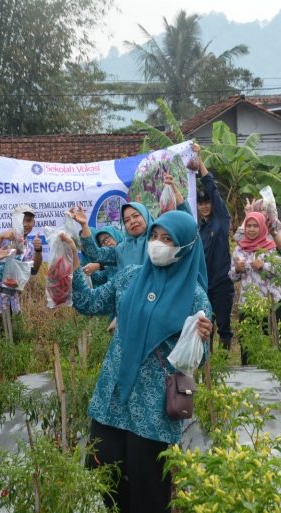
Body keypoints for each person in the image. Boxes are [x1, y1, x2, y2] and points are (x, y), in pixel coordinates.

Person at [69, 210, 212, 513]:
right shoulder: (129, 277)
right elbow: (89, 303)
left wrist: (202, 337)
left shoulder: (195, 298)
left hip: (154, 407)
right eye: (155, 237)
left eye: (167, 239)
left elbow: (196, 359)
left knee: (148, 490)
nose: (157, 244)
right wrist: (71, 271)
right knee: (105, 469)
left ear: (185, 247)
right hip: (115, 395)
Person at [75, 172, 191, 269]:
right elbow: (96, 254)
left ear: (145, 215)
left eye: (136, 215)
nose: (132, 221)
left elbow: (187, 230)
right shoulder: (121, 250)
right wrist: (84, 225)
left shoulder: (160, 242)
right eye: (126, 220)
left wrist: (175, 193)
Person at [229, 212, 281, 364]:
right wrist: (237, 270)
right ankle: (248, 383)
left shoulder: (271, 248)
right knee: (248, 345)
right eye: (248, 226)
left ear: (262, 227)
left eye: (255, 226)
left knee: (272, 342)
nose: (251, 229)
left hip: (270, 303)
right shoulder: (239, 250)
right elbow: (232, 277)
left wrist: (264, 266)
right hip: (248, 304)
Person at [194, 144, 235, 351]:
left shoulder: (221, 220)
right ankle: (210, 365)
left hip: (222, 282)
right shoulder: (198, 229)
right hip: (204, 284)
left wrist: (199, 159)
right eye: (201, 204)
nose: (205, 206)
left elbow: (211, 186)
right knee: (205, 325)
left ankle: (227, 360)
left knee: (224, 325)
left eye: (207, 202)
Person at [0, 204, 43, 319]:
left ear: (33, 223)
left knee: (11, 336)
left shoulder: (30, 247)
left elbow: (34, 270)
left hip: (12, 302)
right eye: (21, 220)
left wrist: (38, 251)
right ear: (13, 220)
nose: (25, 224)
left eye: (29, 221)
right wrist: (1, 237)